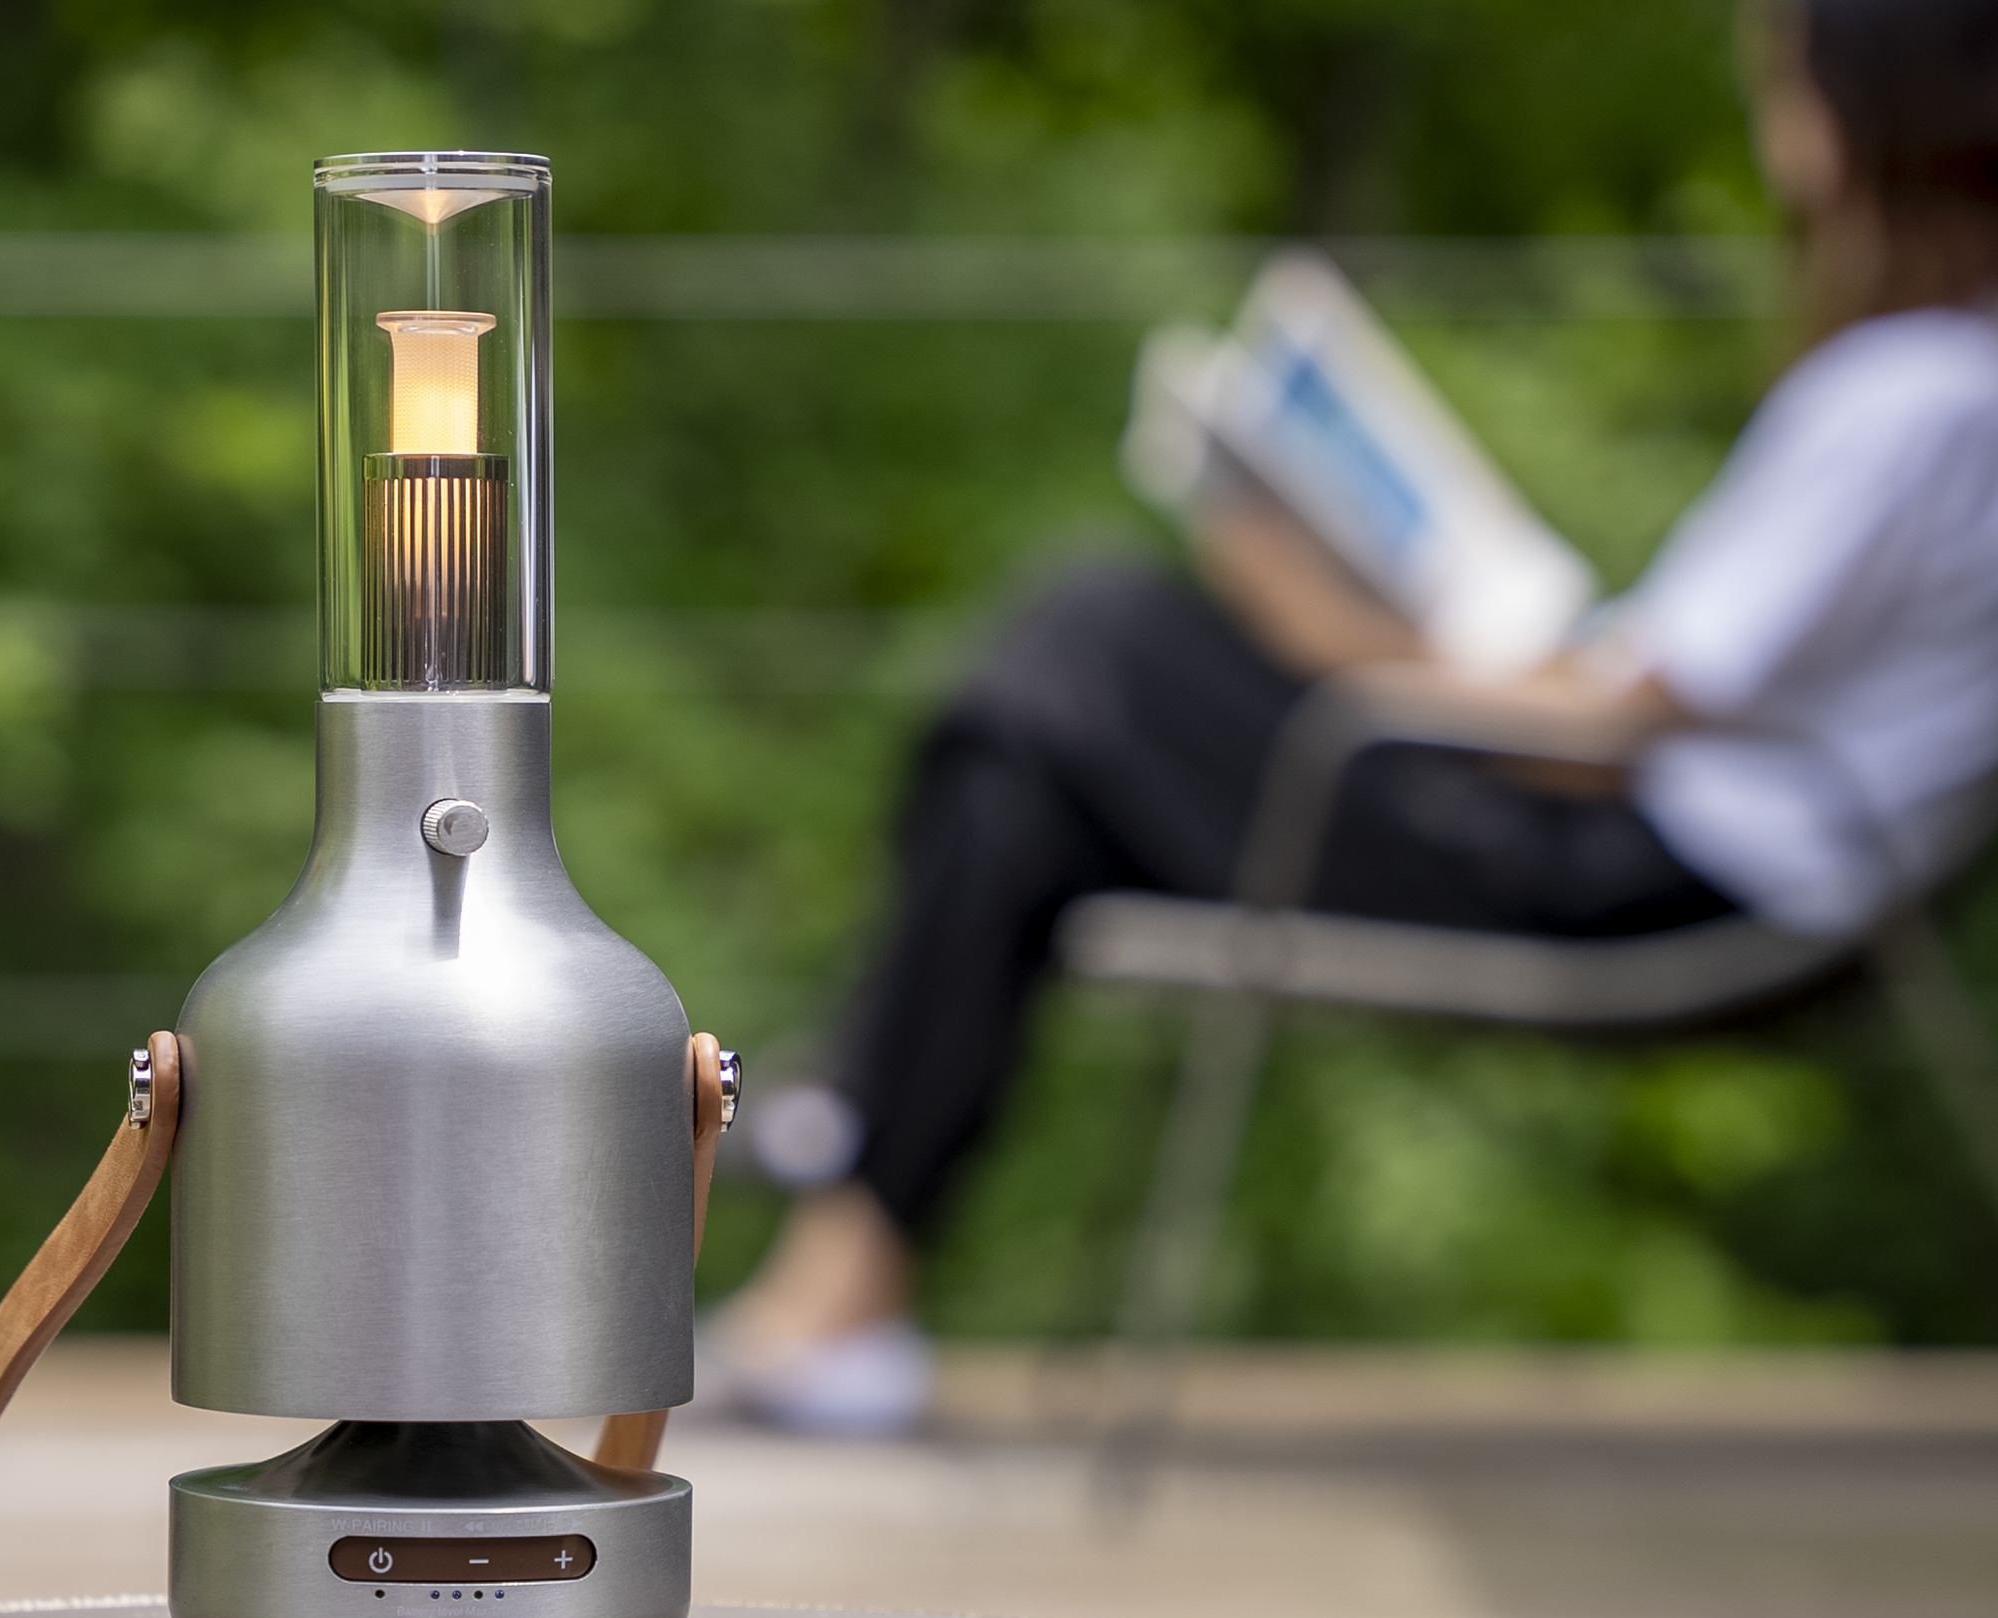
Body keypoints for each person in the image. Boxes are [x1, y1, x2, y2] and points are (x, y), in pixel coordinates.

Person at [704, 0, 1998, 1436]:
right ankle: (840, 1295)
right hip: (1666, 841)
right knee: (1028, 785)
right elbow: (1657, 680)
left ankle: (838, 1135)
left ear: (1849, 114)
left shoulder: (1916, 398)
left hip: (1647, 872)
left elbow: (1614, 725)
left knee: (1090, 628)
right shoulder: (1942, 385)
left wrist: (1331, 630)